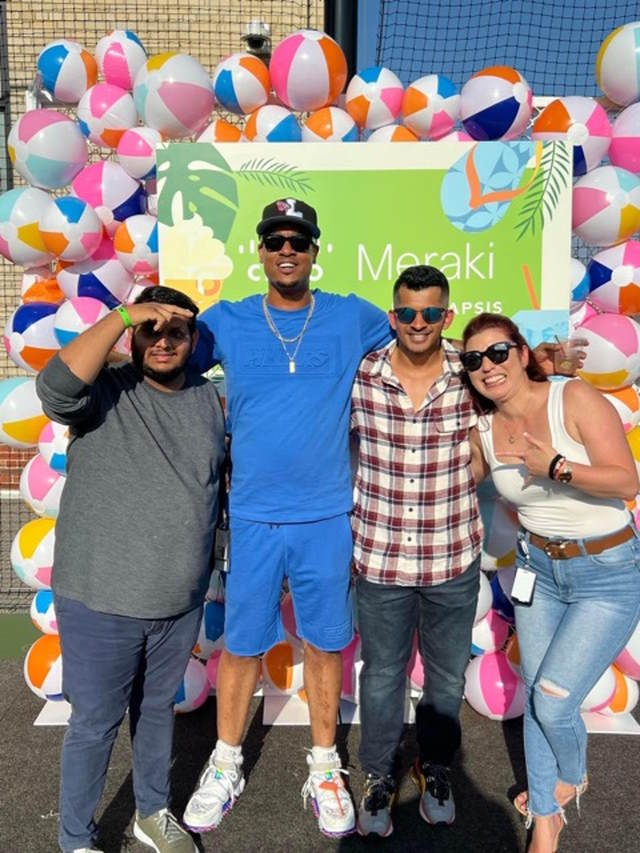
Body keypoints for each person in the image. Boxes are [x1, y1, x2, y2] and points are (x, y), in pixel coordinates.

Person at [350, 266, 584, 838]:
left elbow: (524, 386)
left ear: (447, 317)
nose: (419, 323)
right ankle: (379, 774)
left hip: (451, 559)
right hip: (380, 558)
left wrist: (549, 364)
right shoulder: (362, 374)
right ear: (393, 316)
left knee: (447, 679)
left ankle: (435, 768)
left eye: (432, 313)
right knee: (381, 676)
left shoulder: (473, 373)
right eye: (407, 313)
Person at [182, 198, 391, 839]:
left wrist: (526, 362)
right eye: (275, 240)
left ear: (314, 249)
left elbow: (426, 341)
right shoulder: (228, 321)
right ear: (262, 250)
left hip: (327, 515)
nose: (286, 250)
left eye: (297, 240)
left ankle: (326, 766)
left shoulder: (352, 316)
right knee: (243, 644)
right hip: (252, 518)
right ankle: (225, 763)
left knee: (327, 642)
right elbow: (159, 362)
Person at [36, 287, 226, 853]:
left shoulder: (209, 402)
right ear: (133, 335)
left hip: (179, 598)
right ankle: (76, 839)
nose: (162, 340)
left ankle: (151, 812)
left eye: (176, 332)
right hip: (101, 598)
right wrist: (121, 315)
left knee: (155, 714)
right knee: (95, 725)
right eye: (151, 329)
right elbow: (55, 389)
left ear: (193, 341)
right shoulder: (105, 391)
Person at [462, 312, 640, 853]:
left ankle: (573, 773)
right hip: (537, 571)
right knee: (540, 695)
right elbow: (449, 474)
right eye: (473, 360)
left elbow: (627, 479)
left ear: (520, 353)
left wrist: (558, 467)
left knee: (554, 701)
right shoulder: (483, 432)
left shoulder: (574, 399)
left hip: (605, 573)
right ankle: (545, 819)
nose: (487, 367)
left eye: (498, 352)